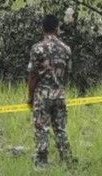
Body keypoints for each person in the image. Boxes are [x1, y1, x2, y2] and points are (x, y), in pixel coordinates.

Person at [28, 14, 73, 167]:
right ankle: (66, 160)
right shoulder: (66, 49)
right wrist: (61, 89)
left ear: (42, 28)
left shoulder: (37, 48)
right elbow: (67, 75)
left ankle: (41, 163)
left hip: (42, 95)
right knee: (60, 129)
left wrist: (30, 97)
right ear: (57, 28)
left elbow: (32, 75)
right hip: (59, 94)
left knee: (42, 129)